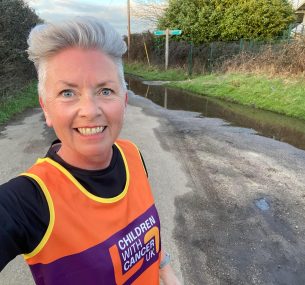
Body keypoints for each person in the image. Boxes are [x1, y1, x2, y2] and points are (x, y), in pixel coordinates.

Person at [0, 17, 180, 284]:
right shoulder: (28, 201)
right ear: (46, 107)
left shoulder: (132, 155)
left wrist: (165, 270)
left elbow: (146, 237)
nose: (90, 110)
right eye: (67, 93)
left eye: (106, 90)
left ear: (124, 101)